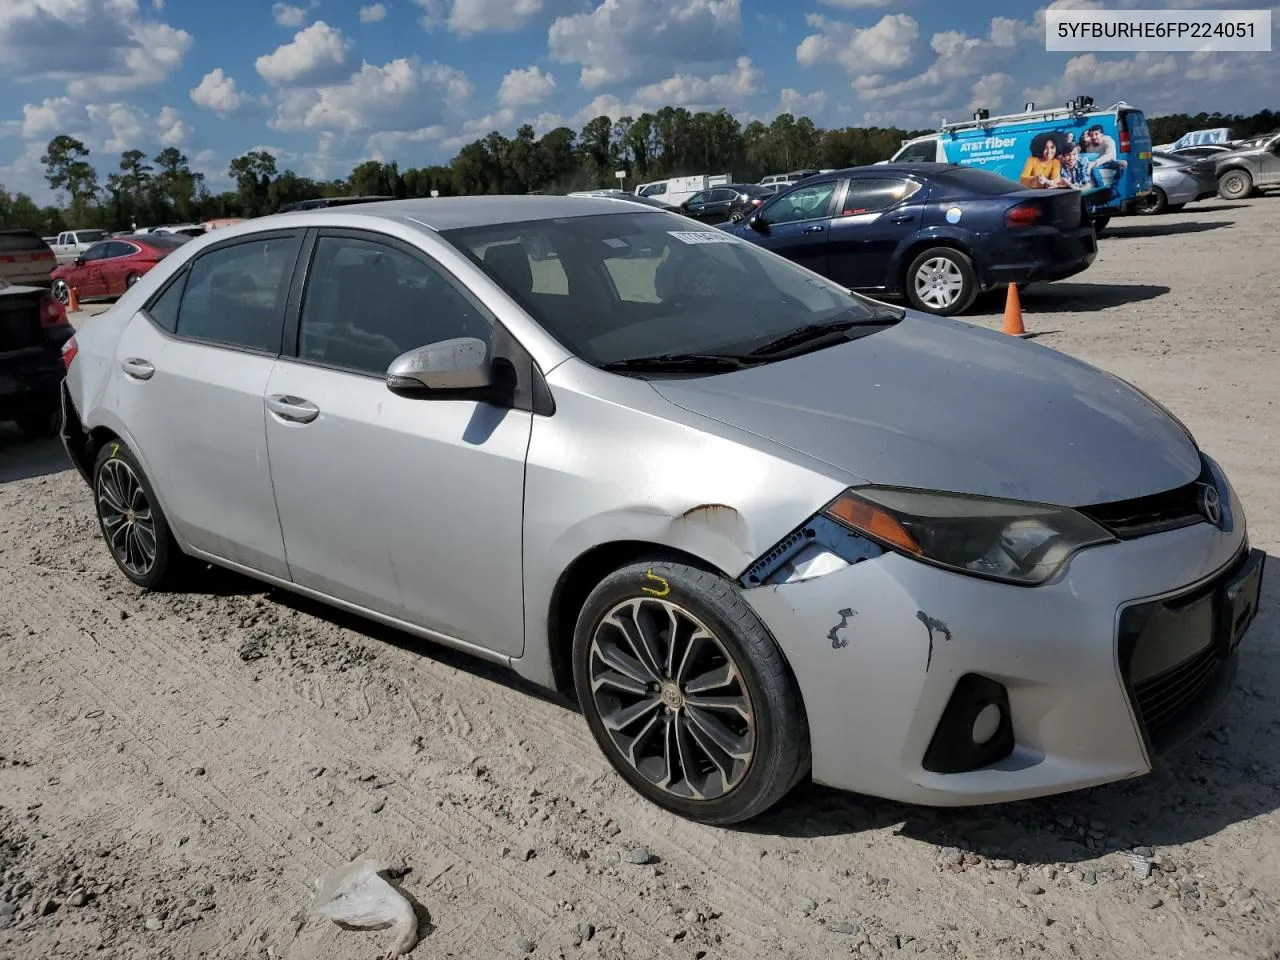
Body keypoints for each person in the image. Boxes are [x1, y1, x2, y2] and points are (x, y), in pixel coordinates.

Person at [1081, 123, 1127, 189]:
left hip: (1110, 162)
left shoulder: (1108, 141)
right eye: (1091, 135)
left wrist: (1095, 163)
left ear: (1102, 134)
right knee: (1093, 169)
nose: (1094, 137)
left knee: (1124, 163)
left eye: (1096, 134)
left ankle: (1116, 186)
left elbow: (1109, 156)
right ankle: (1101, 188)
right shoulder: (1089, 146)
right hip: (1098, 165)